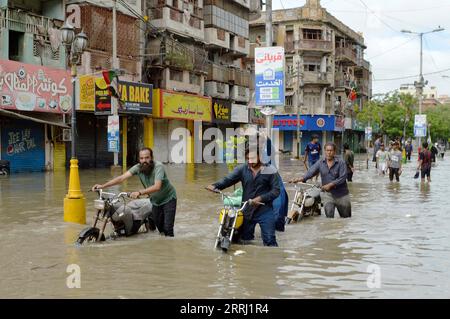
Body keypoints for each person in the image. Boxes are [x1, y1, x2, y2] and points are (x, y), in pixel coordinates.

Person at [92, 147, 177, 237]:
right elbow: (121, 178)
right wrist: (103, 186)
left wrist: (139, 192)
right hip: (155, 201)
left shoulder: (158, 167)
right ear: (139, 159)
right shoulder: (137, 168)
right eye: (141, 158)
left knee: (168, 230)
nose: (144, 160)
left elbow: (157, 186)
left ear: (151, 158)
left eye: (147, 158)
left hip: (168, 199)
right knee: (161, 230)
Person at [207, 145, 280, 247]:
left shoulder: (271, 170)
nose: (250, 161)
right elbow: (228, 180)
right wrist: (215, 186)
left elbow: (276, 191)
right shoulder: (242, 169)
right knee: (244, 240)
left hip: (265, 210)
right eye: (248, 158)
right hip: (247, 209)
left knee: (269, 240)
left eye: (253, 158)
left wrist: (260, 198)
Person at [291, 142, 351, 218]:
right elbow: (311, 172)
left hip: (342, 194)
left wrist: (331, 184)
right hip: (328, 194)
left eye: (331, 150)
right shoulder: (320, 162)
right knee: (329, 216)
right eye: (327, 150)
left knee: (346, 218)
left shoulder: (341, 162)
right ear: (324, 151)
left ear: (334, 152)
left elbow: (343, 177)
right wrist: (301, 178)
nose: (329, 152)